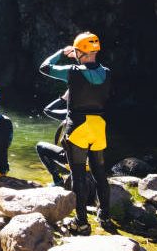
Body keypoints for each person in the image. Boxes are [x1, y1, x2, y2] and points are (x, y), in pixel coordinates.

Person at [40, 32, 112, 235]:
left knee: (78, 176)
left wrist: (61, 53)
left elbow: (45, 67)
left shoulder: (73, 71)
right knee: (100, 175)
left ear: (79, 51)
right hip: (98, 128)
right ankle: (105, 216)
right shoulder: (107, 72)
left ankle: (81, 222)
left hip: (78, 128)